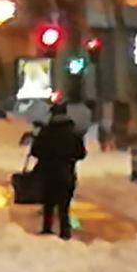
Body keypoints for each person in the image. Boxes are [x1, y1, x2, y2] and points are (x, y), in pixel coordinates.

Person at [29, 101, 88, 240]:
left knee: (48, 203)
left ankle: (47, 230)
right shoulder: (73, 132)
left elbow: (35, 151)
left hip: (48, 173)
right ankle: (65, 232)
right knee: (64, 206)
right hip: (67, 172)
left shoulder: (46, 131)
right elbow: (81, 154)